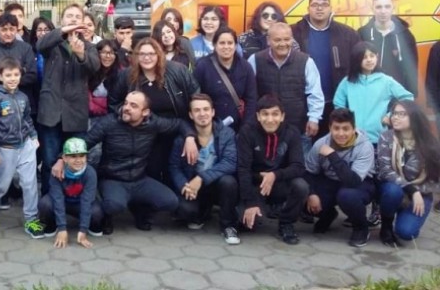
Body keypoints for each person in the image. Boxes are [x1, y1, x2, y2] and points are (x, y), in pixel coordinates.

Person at [55, 91, 196, 233]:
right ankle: (107, 218)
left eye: (133, 105)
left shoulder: (154, 123)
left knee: (170, 201)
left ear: (145, 112)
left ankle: (140, 211)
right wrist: (61, 158)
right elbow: (85, 142)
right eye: (126, 103)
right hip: (112, 178)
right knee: (114, 205)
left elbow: (179, 124)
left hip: (140, 179)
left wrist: (190, 137)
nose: (126, 107)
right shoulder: (109, 122)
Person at [108, 38, 200, 185]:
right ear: (135, 57)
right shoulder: (127, 75)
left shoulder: (177, 71)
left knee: (175, 172)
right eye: (142, 54)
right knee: (152, 172)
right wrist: (130, 116)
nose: (146, 58)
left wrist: (190, 133)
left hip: (176, 128)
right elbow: (113, 102)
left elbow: (195, 96)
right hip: (143, 131)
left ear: (159, 55)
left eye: (151, 53)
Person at [36, 4, 100, 195]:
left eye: (77, 16)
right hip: (51, 113)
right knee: (49, 162)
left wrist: (80, 54)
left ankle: (72, 202)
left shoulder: (89, 47)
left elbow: (94, 67)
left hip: (75, 115)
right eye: (69, 16)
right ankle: (48, 205)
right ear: (62, 21)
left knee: (75, 161)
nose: (73, 19)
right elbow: (40, 45)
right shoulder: (52, 44)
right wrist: (63, 32)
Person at [0, 57, 43, 238]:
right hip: (5, 148)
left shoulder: (23, 97)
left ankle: (31, 219)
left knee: (30, 184)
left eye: (16, 75)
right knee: (1, 184)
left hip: (25, 146)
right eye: (8, 75)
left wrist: (33, 136)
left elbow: (27, 119)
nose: (13, 79)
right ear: (0, 76)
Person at [237, 94, 309, 245]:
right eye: (265, 114)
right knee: (248, 224)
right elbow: (243, 169)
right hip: (255, 185)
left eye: (275, 114)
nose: (270, 119)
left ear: (282, 116)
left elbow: (298, 166)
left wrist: (274, 175)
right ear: (258, 116)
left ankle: (286, 223)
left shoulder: (292, 132)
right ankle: (252, 209)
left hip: (279, 184)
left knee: (301, 185)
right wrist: (250, 202)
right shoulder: (247, 132)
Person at [170, 94, 239, 244]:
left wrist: (201, 178)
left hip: (215, 184)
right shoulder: (182, 138)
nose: (202, 114)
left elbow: (230, 162)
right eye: (197, 110)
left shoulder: (227, 134)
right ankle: (201, 212)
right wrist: (184, 186)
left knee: (229, 182)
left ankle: (228, 226)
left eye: (206, 109)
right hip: (192, 187)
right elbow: (174, 167)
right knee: (184, 211)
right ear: (191, 115)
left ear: (213, 112)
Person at [291, 0, 360, 135]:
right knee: (305, 148)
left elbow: (359, 65)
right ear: (308, 8)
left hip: (336, 102)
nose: (319, 8)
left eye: (324, 5)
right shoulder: (294, 32)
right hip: (302, 103)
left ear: (331, 9)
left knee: (334, 146)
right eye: (315, 5)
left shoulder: (348, 34)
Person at [305, 108, 376, 247]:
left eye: (346, 129)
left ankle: (361, 228)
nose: (341, 133)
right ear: (330, 128)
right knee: (302, 193)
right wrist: (312, 194)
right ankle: (328, 215)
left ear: (354, 128)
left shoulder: (365, 146)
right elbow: (309, 173)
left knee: (346, 196)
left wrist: (332, 155)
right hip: (331, 181)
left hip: (359, 184)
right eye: (336, 128)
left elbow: (353, 181)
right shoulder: (321, 143)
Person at [248, 23, 324, 151]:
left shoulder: (306, 61)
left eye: (287, 39)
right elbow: (249, 94)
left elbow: (315, 93)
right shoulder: (255, 60)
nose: (283, 44)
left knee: (299, 168)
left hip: (298, 128)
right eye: (277, 40)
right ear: (268, 40)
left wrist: (314, 118)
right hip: (264, 129)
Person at [377, 100, 440, 247]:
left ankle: (404, 215)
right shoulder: (386, 137)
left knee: (406, 232)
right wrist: (412, 190)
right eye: (394, 113)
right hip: (396, 188)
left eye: (402, 114)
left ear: (414, 117)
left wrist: (418, 192)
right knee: (391, 191)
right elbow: (385, 171)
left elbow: (435, 180)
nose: (395, 117)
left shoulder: (430, 144)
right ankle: (386, 226)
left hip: (422, 193)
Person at [333, 41, 413, 146]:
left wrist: (391, 116)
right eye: (364, 57)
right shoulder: (347, 81)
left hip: (379, 138)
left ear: (377, 57)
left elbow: (408, 97)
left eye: (372, 56)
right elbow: (338, 104)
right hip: (353, 138)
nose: (369, 60)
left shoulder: (386, 81)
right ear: (356, 60)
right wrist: (347, 122)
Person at [39, 137, 103, 248]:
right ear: (64, 158)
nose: (78, 160)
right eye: (73, 156)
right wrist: (62, 228)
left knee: (97, 211)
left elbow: (86, 201)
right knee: (45, 204)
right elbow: (57, 199)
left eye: (82, 156)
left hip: (80, 203)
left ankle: (89, 226)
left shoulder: (90, 173)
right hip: (63, 202)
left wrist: (83, 230)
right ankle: (53, 224)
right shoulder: (57, 172)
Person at [194, 28, 257, 131]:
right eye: (222, 43)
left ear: (236, 45)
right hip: (210, 128)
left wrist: (246, 127)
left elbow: (252, 100)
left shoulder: (245, 67)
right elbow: (195, 97)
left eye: (230, 43)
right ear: (214, 45)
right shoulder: (203, 66)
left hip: (239, 127)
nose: (226, 47)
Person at [358, 0, 418, 95]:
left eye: (387, 6)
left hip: (397, 94)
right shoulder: (362, 34)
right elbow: (356, 66)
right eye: (379, 7)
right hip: (370, 94)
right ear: (372, 9)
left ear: (393, 8)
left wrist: (410, 95)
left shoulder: (406, 35)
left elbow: (412, 68)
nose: (383, 11)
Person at [0, 13, 37, 97]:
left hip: (24, 97)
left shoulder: (26, 48)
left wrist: (4, 75)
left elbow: (32, 76)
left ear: (16, 29)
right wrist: (22, 70)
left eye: (12, 29)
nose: (8, 33)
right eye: (4, 30)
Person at [89, 40, 121, 120]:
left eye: (112, 53)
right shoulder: (89, 72)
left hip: (113, 117)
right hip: (90, 116)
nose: (108, 56)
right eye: (104, 52)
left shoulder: (121, 73)